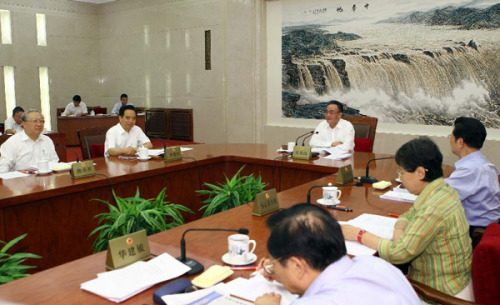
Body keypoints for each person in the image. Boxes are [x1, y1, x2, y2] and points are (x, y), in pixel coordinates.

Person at [341, 137, 473, 301]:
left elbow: (398, 253)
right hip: (447, 281)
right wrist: (399, 231)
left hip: (440, 293)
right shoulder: (441, 189)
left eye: (402, 172)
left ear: (420, 172)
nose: (400, 178)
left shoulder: (434, 207)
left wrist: (358, 234)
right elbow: (408, 215)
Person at [254, 204, 421, 305]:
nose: (272, 266)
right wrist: (284, 274)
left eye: (275, 262)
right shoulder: (376, 265)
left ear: (298, 266)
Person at [445, 117, 500, 233]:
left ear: (460, 141)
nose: (450, 140)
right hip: (489, 228)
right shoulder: (487, 166)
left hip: (473, 232)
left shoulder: (470, 170)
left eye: (451, 136)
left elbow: (440, 195)